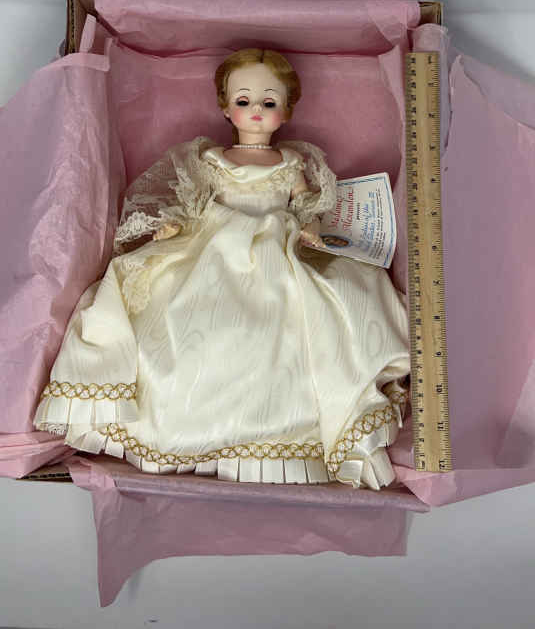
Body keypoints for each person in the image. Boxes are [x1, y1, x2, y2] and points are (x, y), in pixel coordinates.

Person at [34, 48, 410, 489]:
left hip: (278, 247)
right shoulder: (212, 159)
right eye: (244, 100)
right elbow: (190, 201)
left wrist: (310, 227)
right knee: (174, 312)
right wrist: (174, 225)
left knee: (319, 310)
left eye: (269, 102)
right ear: (226, 107)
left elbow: (307, 204)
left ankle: (286, 421)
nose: (256, 110)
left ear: (287, 110)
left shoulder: (291, 162)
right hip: (214, 244)